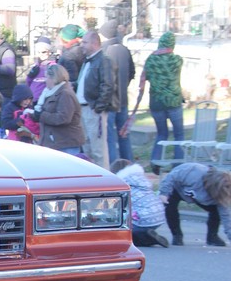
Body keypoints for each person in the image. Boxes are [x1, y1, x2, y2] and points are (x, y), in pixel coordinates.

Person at [126, 32, 184, 174]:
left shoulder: (150, 60)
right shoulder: (177, 60)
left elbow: (146, 79)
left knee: (161, 133)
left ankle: (155, 162)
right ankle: (178, 165)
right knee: (179, 135)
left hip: (156, 103)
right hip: (174, 102)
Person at [158, 163, 231, 247]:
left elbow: (226, 217)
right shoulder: (194, 172)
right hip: (178, 188)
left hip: (198, 197)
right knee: (170, 207)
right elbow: (172, 177)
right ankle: (177, 235)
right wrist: (164, 193)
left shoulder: (221, 195)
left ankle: (212, 237)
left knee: (217, 211)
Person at [75, 30, 117, 168]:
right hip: (83, 108)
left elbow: (108, 85)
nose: (82, 45)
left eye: (85, 42)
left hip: (93, 109)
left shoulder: (104, 60)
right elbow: (85, 82)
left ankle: (105, 183)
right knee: (86, 148)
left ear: (94, 43)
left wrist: (99, 107)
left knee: (98, 149)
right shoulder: (87, 61)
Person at [110, 158, 168, 248]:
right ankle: (146, 232)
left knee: (120, 237)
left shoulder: (122, 185)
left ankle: (146, 239)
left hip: (143, 219)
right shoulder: (141, 181)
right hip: (159, 216)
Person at [100, 20, 136, 162]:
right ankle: (129, 163)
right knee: (124, 134)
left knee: (109, 137)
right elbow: (132, 72)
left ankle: (114, 167)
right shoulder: (124, 49)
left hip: (109, 102)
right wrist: (124, 85)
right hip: (123, 100)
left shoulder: (104, 51)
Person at [35, 64, 85, 155]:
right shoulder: (52, 93)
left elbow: (63, 118)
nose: (45, 81)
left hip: (66, 145)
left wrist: (41, 115)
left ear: (54, 78)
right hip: (57, 143)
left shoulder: (65, 94)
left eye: (47, 77)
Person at [25, 37, 55, 104]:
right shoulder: (35, 66)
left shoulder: (53, 66)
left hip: (45, 100)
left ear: (49, 52)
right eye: (38, 52)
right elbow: (28, 82)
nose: (41, 54)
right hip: (32, 99)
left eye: (43, 52)